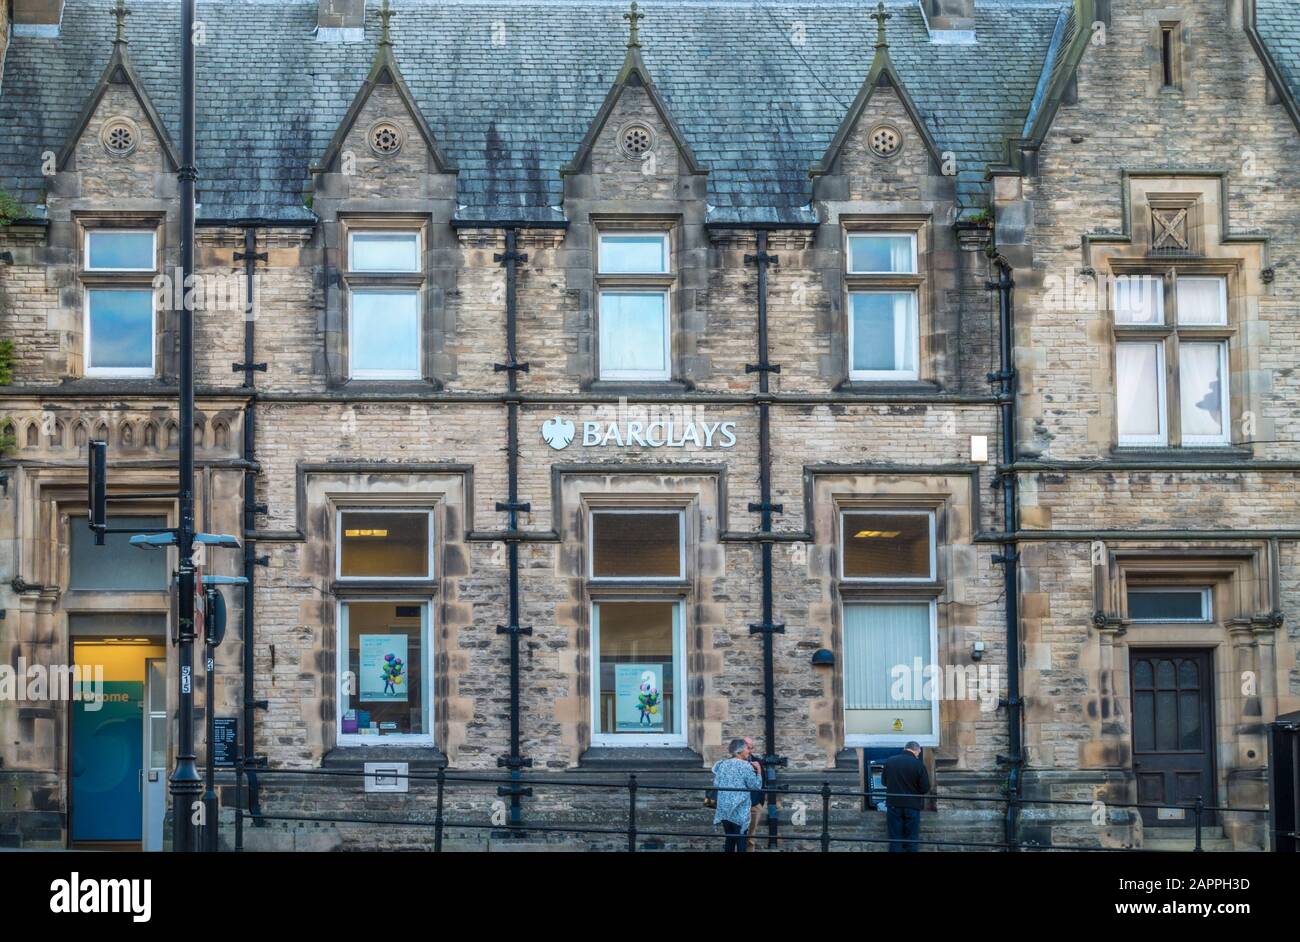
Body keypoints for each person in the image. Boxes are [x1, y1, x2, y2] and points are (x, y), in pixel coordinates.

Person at [712, 738, 762, 852]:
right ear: (740, 751)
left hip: (724, 808)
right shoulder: (745, 766)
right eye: (747, 749)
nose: (749, 751)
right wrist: (758, 770)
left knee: (729, 839)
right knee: (741, 840)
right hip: (739, 809)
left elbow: (716, 783)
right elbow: (756, 786)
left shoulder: (722, 764)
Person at [882, 741, 930, 852]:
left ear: (905, 748)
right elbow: (925, 788)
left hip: (893, 804)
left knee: (895, 839)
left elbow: (884, 782)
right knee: (912, 839)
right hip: (912, 805)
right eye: (919, 752)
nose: (918, 754)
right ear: (916, 750)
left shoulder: (890, 761)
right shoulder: (919, 764)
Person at [743, 735, 766, 851]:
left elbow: (762, 783)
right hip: (738, 804)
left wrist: (759, 803)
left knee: (751, 835)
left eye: (751, 748)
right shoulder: (733, 762)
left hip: (754, 804)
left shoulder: (757, 762)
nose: (750, 750)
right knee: (737, 834)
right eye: (748, 747)